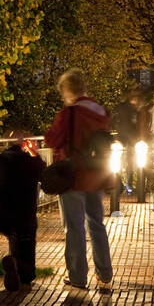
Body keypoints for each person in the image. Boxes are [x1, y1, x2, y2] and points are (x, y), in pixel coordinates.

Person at [45, 69, 114, 293]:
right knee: (97, 225)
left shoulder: (70, 112)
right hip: (97, 175)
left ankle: (77, 276)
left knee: (74, 228)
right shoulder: (99, 111)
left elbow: (52, 138)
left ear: (67, 90)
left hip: (73, 176)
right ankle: (104, 275)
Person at [0, 130, 43, 290]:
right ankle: (24, 274)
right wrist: (35, 154)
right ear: (25, 146)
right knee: (26, 235)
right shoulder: (33, 163)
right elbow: (45, 177)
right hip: (26, 221)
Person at [108, 86, 144, 212]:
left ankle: (121, 185)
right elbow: (132, 124)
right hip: (127, 138)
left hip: (123, 137)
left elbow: (114, 120)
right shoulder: (131, 109)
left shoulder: (122, 107)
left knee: (125, 163)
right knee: (128, 163)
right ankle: (126, 186)